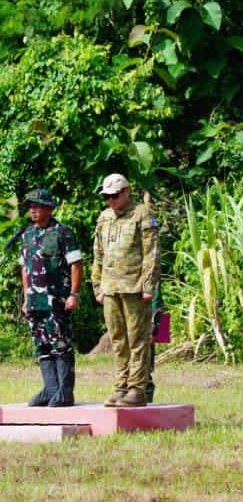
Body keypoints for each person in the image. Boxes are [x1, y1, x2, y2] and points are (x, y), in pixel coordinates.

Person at [92, 173, 160, 408]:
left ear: (126, 192)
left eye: (114, 196)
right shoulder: (104, 218)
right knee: (117, 340)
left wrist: (148, 285)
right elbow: (98, 255)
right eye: (107, 196)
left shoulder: (142, 214)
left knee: (137, 339)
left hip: (134, 287)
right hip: (111, 288)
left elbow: (151, 253)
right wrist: (98, 286)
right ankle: (121, 385)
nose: (110, 200)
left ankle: (137, 388)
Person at [18, 188, 84, 407]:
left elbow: (76, 264)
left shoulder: (62, 232)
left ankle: (65, 393)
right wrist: (27, 297)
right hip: (35, 300)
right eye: (31, 207)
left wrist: (73, 294)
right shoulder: (27, 234)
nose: (33, 211)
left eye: (37, 206)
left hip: (56, 299)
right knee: (42, 345)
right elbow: (25, 268)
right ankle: (50, 389)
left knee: (60, 343)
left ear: (48, 208)